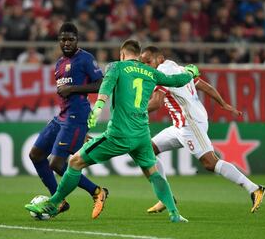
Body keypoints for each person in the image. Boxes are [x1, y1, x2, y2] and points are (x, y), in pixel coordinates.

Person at [25, 39, 200, 222]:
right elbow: (176, 80)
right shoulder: (151, 72)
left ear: (122, 54)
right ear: (139, 56)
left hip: (119, 134)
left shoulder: (116, 67)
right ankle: (174, 213)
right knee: (153, 173)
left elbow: (106, 86)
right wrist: (190, 71)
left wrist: (99, 107)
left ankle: (53, 204)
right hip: (141, 135)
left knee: (75, 162)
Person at [140, 46, 265, 214]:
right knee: (147, 151)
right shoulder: (178, 68)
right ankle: (166, 197)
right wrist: (223, 103)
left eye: (148, 62)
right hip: (181, 125)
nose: (147, 66)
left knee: (210, 163)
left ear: (160, 59)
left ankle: (254, 189)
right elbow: (204, 86)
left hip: (190, 123)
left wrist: (132, 111)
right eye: (143, 63)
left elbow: (156, 103)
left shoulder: (163, 72)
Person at [28, 22, 107, 218]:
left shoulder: (85, 59)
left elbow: (101, 84)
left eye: (70, 39)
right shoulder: (59, 63)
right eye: (63, 39)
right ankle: (59, 200)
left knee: (56, 163)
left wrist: (72, 89)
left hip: (76, 117)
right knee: (36, 155)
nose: (66, 43)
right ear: (58, 41)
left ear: (76, 40)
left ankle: (97, 192)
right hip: (61, 117)